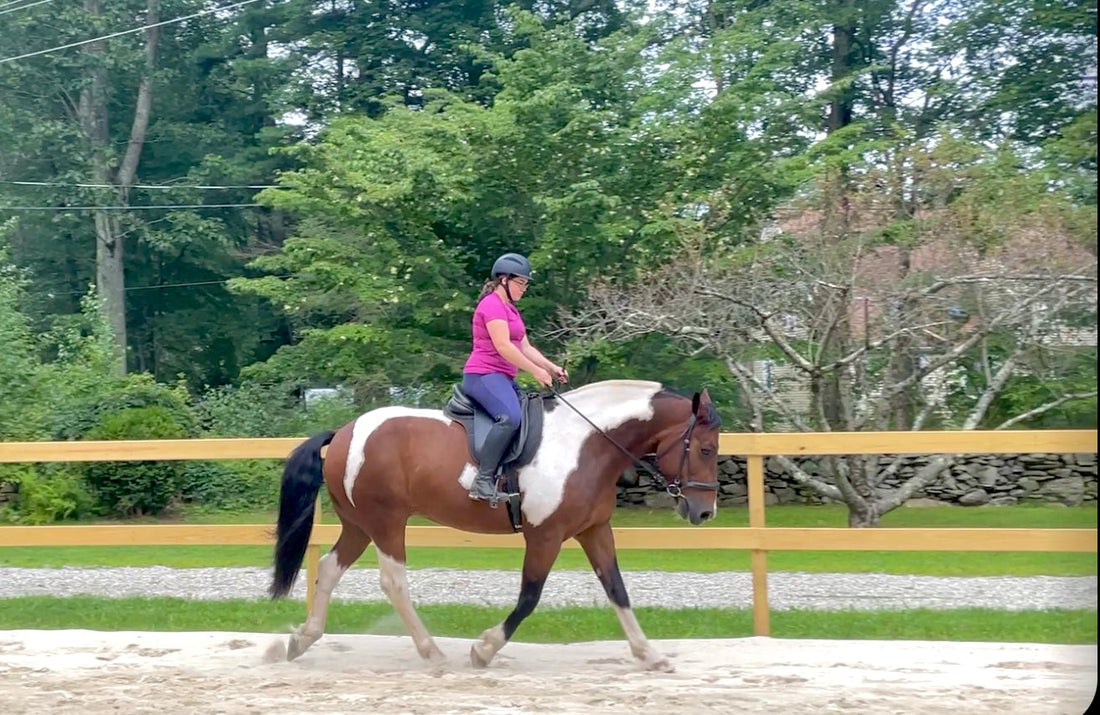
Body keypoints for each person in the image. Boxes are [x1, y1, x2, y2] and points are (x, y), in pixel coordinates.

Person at [462, 252, 568, 501]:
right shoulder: (491, 305)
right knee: (509, 417)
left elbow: (525, 347)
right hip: (483, 374)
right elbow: (504, 347)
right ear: (503, 280)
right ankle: (483, 480)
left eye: (526, 284)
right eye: (521, 283)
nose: (524, 288)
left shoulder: (511, 310)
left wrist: (551, 367)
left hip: (502, 377)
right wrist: (535, 371)